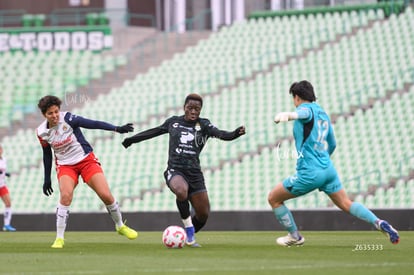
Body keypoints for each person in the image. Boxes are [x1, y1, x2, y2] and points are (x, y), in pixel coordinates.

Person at [268, 80, 400, 246]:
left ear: (297, 97)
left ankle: (295, 236)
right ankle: (379, 223)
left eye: (293, 98)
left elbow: (303, 113)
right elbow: (333, 144)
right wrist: (323, 161)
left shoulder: (304, 109)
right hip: (328, 169)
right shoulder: (323, 114)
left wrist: (289, 115)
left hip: (310, 172)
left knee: (274, 198)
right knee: (346, 203)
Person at [122, 93, 246, 247]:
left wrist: (235, 133)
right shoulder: (173, 122)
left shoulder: (204, 125)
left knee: (203, 214)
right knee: (181, 191)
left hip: (194, 174)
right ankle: (189, 233)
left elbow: (222, 134)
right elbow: (154, 131)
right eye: (190, 108)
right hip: (175, 170)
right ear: (184, 108)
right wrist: (132, 140)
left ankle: (183, 236)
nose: (193, 111)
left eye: (197, 109)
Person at [36, 95, 138, 248]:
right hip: (65, 166)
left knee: (105, 194)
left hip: (86, 161)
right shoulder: (41, 132)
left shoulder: (68, 119)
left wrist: (116, 128)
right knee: (65, 196)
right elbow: (46, 154)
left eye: (56, 111)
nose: (55, 116)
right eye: (50, 113)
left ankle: (120, 226)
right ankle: (59, 238)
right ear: (44, 115)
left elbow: (93, 123)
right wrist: (47, 179)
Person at [0, 144, 16, 232]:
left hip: (2, 185)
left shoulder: (4, 160)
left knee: (8, 203)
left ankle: (6, 225)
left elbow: (2, 171)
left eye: (0, 149)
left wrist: (6, 174)